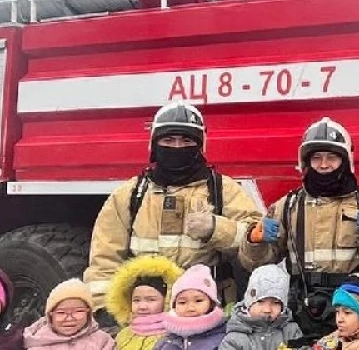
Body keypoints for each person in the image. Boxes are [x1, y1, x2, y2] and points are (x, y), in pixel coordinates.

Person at [85, 100, 262, 315]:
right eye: (168, 140)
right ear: (154, 145)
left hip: (205, 313)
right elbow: (104, 260)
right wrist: (106, 312)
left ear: (200, 146)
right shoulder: (130, 195)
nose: (177, 147)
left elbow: (258, 249)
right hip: (146, 315)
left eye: (186, 140)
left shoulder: (223, 190)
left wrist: (216, 229)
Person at [241, 117, 359, 340]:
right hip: (300, 313)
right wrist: (255, 241)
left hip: (353, 313)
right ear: (305, 162)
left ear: (346, 160)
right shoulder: (288, 206)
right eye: (317, 158)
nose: (323, 165)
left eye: (332, 158)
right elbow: (255, 265)